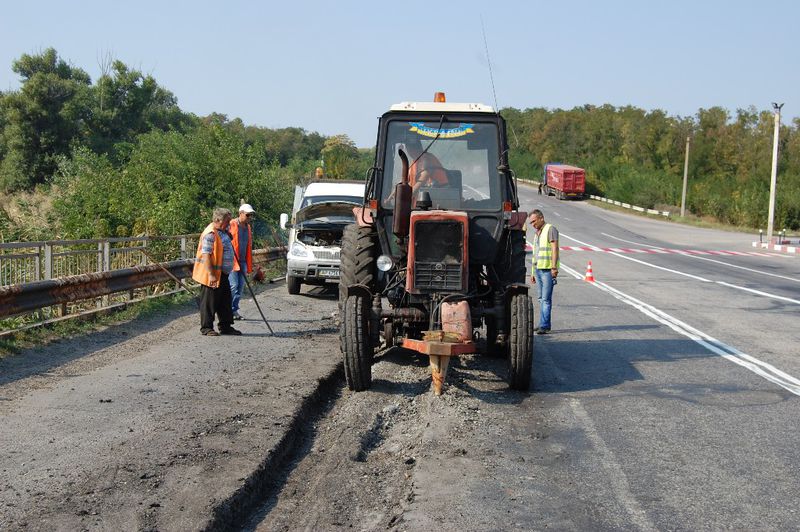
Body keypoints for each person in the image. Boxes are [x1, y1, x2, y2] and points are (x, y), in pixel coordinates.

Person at [192, 207, 241, 336]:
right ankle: (206, 328)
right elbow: (206, 255)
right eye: (227, 221)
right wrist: (212, 275)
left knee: (225, 301)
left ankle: (225, 326)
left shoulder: (222, 231)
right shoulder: (210, 234)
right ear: (218, 220)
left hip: (223, 274)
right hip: (212, 275)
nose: (229, 223)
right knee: (209, 302)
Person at [529, 209, 559, 334]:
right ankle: (542, 323)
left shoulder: (550, 229)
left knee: (546, 299)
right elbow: (535, 254)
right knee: (541, 298)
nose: (533, 224)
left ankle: (545, 325)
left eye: (534, 221)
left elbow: (554, 248)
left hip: (547, 269)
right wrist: (532, 272)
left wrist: (554, 267)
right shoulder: (537, 233)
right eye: (531, 222)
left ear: (541, 218)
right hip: (538, 269)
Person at [229, 203, 255, 320]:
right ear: (241, 213)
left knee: (239, 287)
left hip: (243, 261)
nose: (250, 218)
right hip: (233, 261)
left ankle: (234, 310)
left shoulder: (248, 228)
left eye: (251, 215)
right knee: (233, 286)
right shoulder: (232, 224)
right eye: (248, 215)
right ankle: (227, 310)